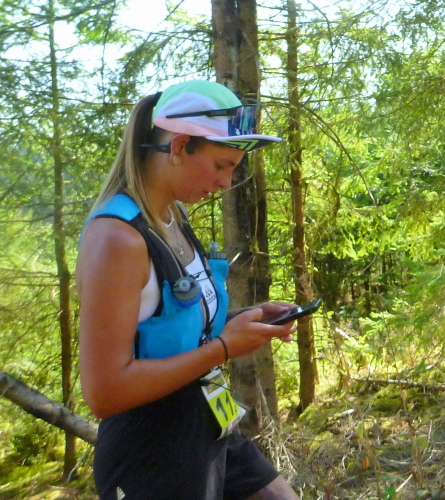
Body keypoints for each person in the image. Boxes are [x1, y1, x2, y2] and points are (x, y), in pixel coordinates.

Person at [76, 80, 301, 500]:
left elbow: (167, 330)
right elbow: (104, 393)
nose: (226, 182)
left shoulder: (172, 216)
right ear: (179, 146)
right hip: (153, 452)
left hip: (210, 420)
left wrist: (246, 319)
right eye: (221, 165)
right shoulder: (118, 239)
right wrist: (225, 348)